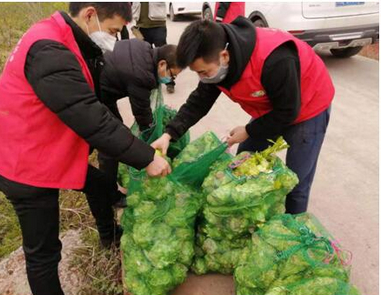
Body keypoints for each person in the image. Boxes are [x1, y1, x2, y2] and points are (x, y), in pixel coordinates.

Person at [0, 3, 170, 295]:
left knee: (99, 185)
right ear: (90, 14)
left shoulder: (63, 39)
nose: (115, 37)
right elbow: (89, 117)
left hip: (43, 151)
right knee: (44, 254)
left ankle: (110, 237)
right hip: (24, 166)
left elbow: (94, 107)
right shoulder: (50, 51)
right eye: (112, 30)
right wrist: (145, 158)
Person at [152, 18, 334, 215]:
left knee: (295, 183)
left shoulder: (275, 59)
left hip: (308, 108)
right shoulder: (216, 62)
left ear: (224, 56)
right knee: (242, 162)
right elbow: (198, 102)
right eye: (198, 73)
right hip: (270, 108)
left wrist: (248, 130)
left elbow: (288, 111)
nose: (203, 78)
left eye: (204, 72)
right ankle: (246, 215)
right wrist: (169, 134)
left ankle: (293, 230)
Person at [98, 40, 181, 198]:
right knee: (111, 139)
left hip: (104, 87)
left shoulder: (144, 48)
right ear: (162, 64)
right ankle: (110, 192)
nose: (171, 80)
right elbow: (142, 114)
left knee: (117, 129)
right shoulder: (142, 75)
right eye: (172, 75)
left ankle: (110, 182)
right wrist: (151, 140)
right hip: (98, 94)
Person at [131, 2, 176, 94]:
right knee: (146, 55)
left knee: (163, 53)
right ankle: (151, 81)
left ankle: (169, 82)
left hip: (158, 24)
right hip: (141, 25)